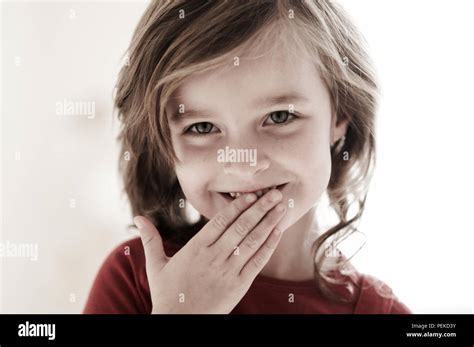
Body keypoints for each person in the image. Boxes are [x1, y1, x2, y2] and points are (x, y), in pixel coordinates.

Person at [84, 0, 411, 314]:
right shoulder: (134, 283)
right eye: (202, 127)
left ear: (340, 116)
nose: (243, 163)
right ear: (163, 142)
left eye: (280, 117)